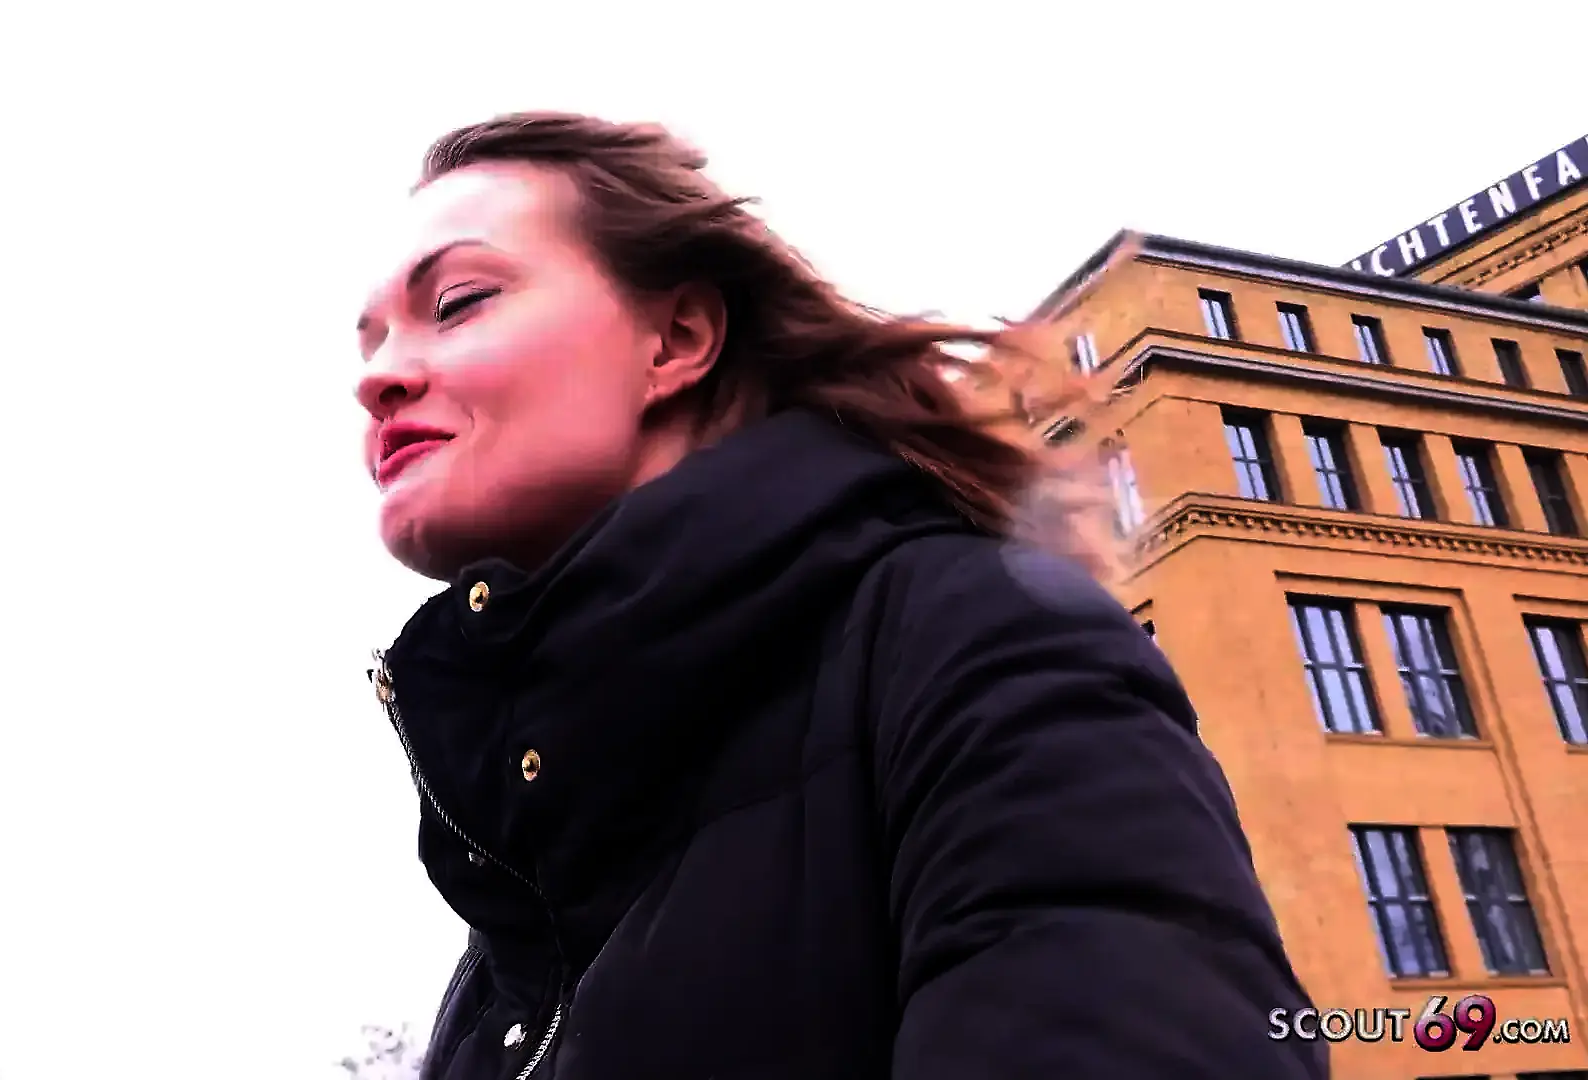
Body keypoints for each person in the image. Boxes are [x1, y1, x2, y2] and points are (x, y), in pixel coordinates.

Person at [352, 111, 1326, 1080]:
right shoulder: (515, 908)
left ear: (676, 339)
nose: (379, 379)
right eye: (371, 343)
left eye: (459, 302)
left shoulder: (975, 646)